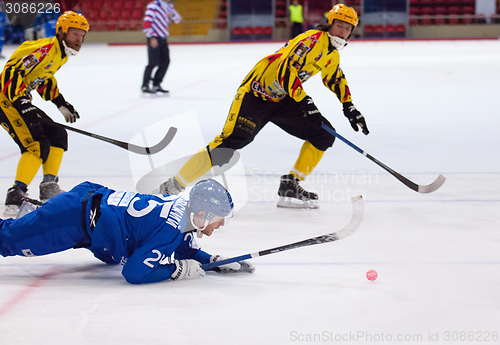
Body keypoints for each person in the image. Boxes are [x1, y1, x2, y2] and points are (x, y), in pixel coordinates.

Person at [157, 4, 368, 209]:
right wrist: (306, 101)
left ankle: (291, 184)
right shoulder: (311, 40)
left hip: (283, 98)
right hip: (255, 95)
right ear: (329, 23)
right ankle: (172, 186)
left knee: (323, 134)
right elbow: (285, 70)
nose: (343, 32)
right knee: (231, 143)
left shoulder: (332, 54)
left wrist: (349, 107)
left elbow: (335, 78)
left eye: (348, 28)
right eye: (340, 25)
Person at [0, 179, 254, 284]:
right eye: (219, 219)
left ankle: (40, 216)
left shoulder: (182, 212)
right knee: (7, 240)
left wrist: (212, 261)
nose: (220, 225)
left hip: (91, 210)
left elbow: (182, 247)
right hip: (74, 218)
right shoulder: (171, 228)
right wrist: (177, 270)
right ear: (202, 214)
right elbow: (134, 272)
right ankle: (43, 217)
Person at [0, 11, 87, 217]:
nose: (79, 39)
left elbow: (43, 78)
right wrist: (22, 103)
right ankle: (16, 193)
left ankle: (49, 186)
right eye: (75, 33)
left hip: (18, 100)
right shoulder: (44, 48)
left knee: (57, 134)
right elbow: (12, 71)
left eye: (82, 35)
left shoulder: (60, 53)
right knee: (36, 144)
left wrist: (60, 102)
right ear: (61, 32)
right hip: (6, 100)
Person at [142, 0, 181, 94]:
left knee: (165, 61)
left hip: (163, 37)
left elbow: (178, 19)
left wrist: (172, 15)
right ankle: (145, 85)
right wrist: (151, 36)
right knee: (153, 62)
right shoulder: (153, 6)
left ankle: (156, 83)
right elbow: (147, 21)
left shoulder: (169, 6)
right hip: (154, 37)